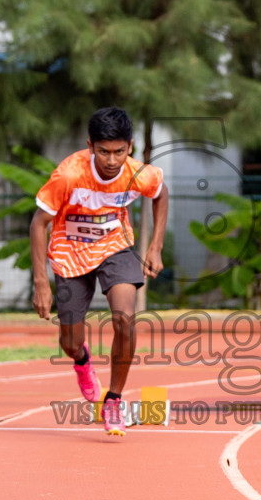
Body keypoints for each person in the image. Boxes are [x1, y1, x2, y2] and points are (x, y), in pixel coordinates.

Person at [31, 107, 169, 436]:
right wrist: (40, 282)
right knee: (70, 340)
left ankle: (114, 400)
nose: (111, 160)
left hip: (114, 246)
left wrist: (156, 246)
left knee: (125, 317)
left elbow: (161, 195)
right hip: (69, 252)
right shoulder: (69, 175)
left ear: (130, 147)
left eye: (119, 151)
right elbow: (38, 224)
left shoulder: (140, 173)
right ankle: (81, 360)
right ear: (90, 145)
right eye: (104, 151)